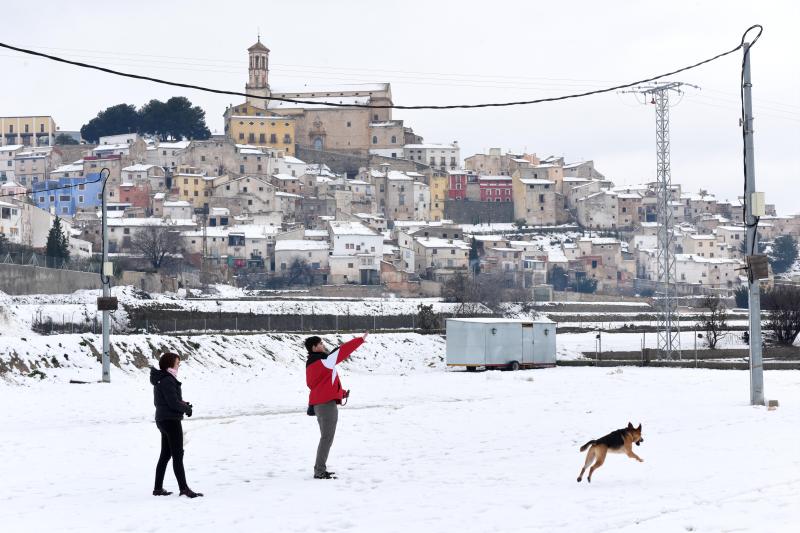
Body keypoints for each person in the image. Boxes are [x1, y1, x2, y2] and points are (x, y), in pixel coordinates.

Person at [305, 332, 368, 479]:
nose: (323, 345)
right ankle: (319, 471)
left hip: (320, 404)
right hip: (326, 405)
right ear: (314, 348)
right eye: (320, 344)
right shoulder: (324, 361)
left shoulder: (313, 363)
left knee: (326, 438)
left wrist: (341, 393)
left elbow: (324, 384)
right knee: (326, 438)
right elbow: (341, 351)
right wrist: (359, 340)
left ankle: (319, 469)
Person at [149, 352, 203, 498]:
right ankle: (184, 488)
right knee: (177, 455)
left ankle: (158, 489)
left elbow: (166, 400)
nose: (178, 366)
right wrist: (186, 409)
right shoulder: (167, 379)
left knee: (166, 454)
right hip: (171, 421)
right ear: (170, 364)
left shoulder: (161, 378)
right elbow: (172, 403)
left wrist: (183, 404)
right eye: (177, 363)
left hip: (163, 419)